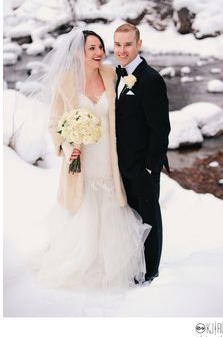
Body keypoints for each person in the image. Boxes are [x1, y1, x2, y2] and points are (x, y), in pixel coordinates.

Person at [35, 28, 151, 290]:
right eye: (92, 48)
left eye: (100, 47)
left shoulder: (112, 75)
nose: (100, 53)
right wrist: (67, 147)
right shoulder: (64, 82)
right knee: (84, 210)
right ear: (78, 52)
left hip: (109, 159)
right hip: (82, 162)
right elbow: (55, 122)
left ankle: (113, 267)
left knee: (111, 209)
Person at [114, 23, 171, 283]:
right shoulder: (117, 76)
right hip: (121, 166)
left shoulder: (151, 79)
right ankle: (134, 266)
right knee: (131, 219)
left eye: (127, 44)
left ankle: (151, 271)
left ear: (139, 44)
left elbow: (161, 129)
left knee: (150, 219)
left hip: (143, 167)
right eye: (117, 44)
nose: (122, 50)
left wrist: (150, 166)